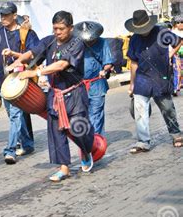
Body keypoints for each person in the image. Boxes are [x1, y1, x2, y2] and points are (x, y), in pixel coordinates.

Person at [7, 11, 94, 182]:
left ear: (70, 28)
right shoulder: (49, 41)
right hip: (55, 94)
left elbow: (61, 65)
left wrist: (36, 71)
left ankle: (86, 150)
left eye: (61, 28)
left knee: (78, 128)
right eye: (55, 28)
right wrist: (19, 61)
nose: (57, 32)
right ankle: (64, 168)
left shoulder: (77, 43)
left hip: (74, 93)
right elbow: (32, 53)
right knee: (56, 132)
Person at [0, 2, 39, 164]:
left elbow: (34, 54)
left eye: (6, 14)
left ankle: (10, 150)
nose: (3, 17)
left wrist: (13, 53)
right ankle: (27, 144)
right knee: (14, 115)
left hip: (22, 80)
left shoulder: (27, 33)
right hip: (3, 81)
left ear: (15, 15)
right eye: (1, 14)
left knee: (15, 115)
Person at [125, 10, 182, 152]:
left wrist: (170, 54)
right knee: (140, 110)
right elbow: (134, 63)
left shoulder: (162, 32)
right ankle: (143, 141)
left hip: (160, 77)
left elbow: (179, 41)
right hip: (142, 79)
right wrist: (132, 84)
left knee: (167, 108)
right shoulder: (134, 39)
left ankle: (176, 134)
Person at [73, 21, 114, 135]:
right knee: (83, 114)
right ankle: (89, 139)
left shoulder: (102, 42)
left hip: (97, 84)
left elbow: (108, 62)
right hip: (80, 86)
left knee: (96, 114)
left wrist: (104, 70)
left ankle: (96, 141)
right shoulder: (76, 44)